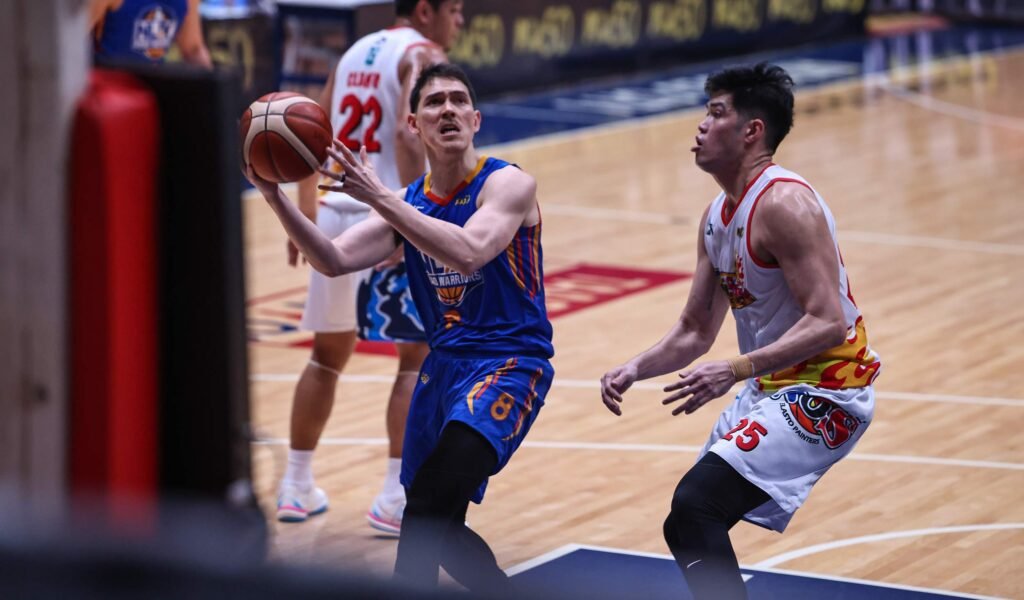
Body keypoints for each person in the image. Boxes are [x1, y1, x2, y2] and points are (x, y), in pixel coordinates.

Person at [247, 63, 553, 593]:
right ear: (414, 125)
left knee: (432, 500)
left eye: (459, 100)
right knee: (434, 520)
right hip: (443, 368)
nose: (449, 110)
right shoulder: (409, 203)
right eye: (435, 103)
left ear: (477, 119)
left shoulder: (507, 183)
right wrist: (273, 195)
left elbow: (470, 252)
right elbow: (333, 259)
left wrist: (380, 197)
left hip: (508, 364)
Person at [600, 63, 882, 600]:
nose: (701, 126)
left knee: (696, 506)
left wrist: (735, 369)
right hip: (770, 387)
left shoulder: (785, 204)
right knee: (683, 525)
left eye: (716, 112)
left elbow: (829, 321)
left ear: (752, 130)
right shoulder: (715, 215)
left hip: (829, 388)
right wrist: (636, 367)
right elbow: (694, 329)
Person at [273, 0, 463, 532]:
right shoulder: (423, 53)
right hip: (382, 213)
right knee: (415, 359)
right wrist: (412, 215)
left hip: (334, 212)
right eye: (455, 9)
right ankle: (394, 499)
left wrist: (305, 215)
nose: (460, 21)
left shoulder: (356, 49)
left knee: (326, 355)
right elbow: (409, 135)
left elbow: (311, 132)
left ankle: (294, 484)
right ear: (425, 11)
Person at [91, 0, 213, 67]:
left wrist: (215, 90)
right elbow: (74, 42)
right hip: (107, 92)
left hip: (152, 89)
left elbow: (193, 50)